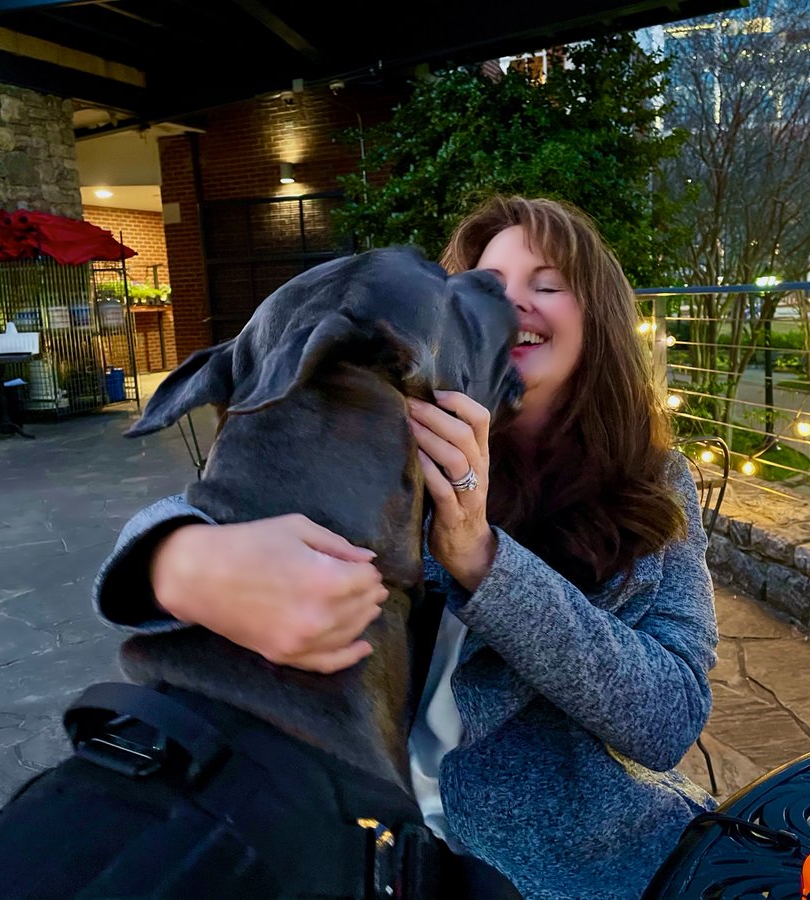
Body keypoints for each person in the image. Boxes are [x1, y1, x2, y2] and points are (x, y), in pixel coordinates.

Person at [95, 195, 719, 899]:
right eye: (490, 282)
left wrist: (483, 558)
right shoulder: (391, 426)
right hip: (347, 837)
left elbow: (668, 718)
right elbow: (222, 500)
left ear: (598, 318)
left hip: (561, 867)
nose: (512, 302)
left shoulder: (654, 482)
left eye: (547, 285)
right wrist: (177, 561)